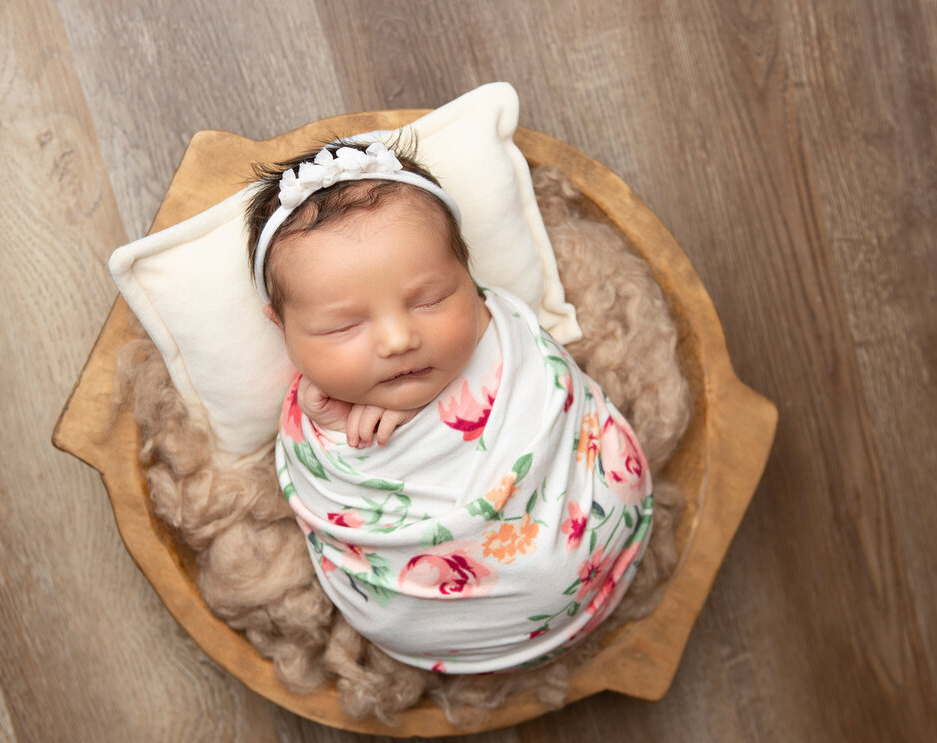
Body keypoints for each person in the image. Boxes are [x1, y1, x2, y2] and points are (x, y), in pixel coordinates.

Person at [246, 140, 654, 674]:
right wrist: (333, 432)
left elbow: (541, 377)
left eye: (430, 299)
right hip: (447, 634)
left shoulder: (499, 332)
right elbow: (329, 495)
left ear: (468, 275)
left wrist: (437, 400)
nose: (397, 339)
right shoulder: (315, 414)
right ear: (282, 327)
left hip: (603, 544)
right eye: (344, 326)